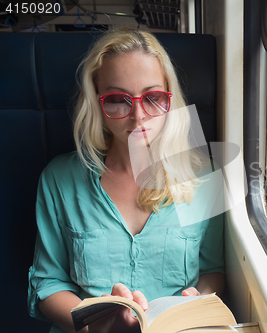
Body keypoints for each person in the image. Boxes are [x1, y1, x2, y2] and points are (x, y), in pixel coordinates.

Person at [28, 28, 225, 333]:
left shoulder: (205, 178)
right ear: (97, 101)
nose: (138, 116)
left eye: (153, 97)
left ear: (169, 99)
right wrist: (97, 328)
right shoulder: (59, 180)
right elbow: (48, 283)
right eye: (118, 99)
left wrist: (196, 300)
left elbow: (213, 269)